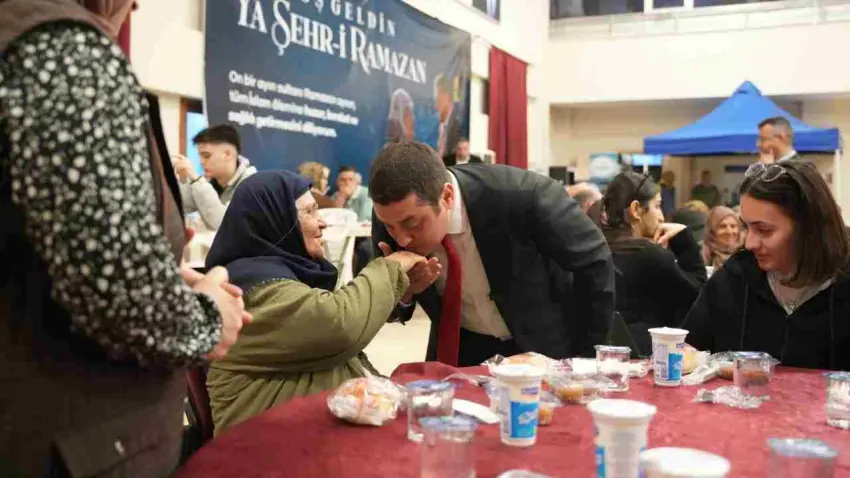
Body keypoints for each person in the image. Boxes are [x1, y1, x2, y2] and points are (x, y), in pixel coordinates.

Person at [0, 1, 250, 475]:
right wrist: (210, 316)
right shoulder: (65, 50)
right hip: (70, 438)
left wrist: (152, 268)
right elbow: (123, 299)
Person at [204, 171, 429, 433]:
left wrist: (401, 292)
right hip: (268, 454)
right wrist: (391, 267)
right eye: (310, 212)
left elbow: (322, 336)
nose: (322, 222)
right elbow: (338, 324)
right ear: (275, 219)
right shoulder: (248, 287)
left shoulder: (278, 273)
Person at [370, 141, 614, 367]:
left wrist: (585, 358)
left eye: (412, 223)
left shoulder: (523, 196)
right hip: (460, 352)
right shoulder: (391, 215)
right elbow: (389, 305)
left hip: (540, 347)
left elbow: (594, 260)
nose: (401, 238)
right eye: (391, 227)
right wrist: (404, 292)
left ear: (446, 196)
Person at [685, 160, 850, 371]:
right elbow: (687, 349)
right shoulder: (733, 279)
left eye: (764, 230)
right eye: (746, 227)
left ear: (809, 228)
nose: (749, 243)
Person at [595, 172, 706, 356]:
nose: (662, 217)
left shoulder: (597, 247)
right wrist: (685, 243)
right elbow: (698, 297)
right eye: (657, 206)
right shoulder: (649, 255)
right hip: (648, 359)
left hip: (602, 358)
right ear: (636, 209)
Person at [173, 124, 257, 230]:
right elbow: (176, 205)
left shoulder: (252, 185)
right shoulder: (209, 181)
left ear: (227, 154)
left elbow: (222, 223)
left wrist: (196, 179)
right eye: (200, 156)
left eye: (206, 156)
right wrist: (178, 179)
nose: (201, 162)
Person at [434, 74, 461, 158]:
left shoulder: (457, 126)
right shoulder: (441, 126)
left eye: (438, 99)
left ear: (446, 97)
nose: (436, 106)